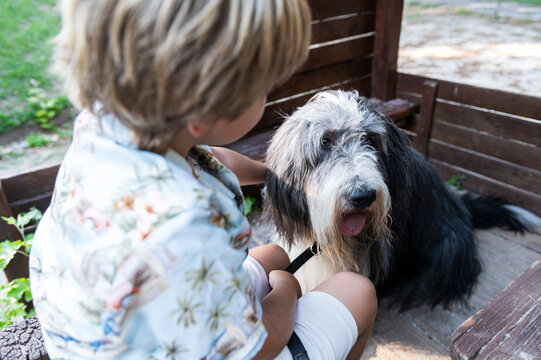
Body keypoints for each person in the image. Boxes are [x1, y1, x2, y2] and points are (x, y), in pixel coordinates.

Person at [29, 0, 377, 359]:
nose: (267, 94)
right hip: (237, 346)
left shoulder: (105, 127)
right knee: (356, 290)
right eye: (261, 87)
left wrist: (275, 174)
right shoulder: (184, 222)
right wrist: (286, 290)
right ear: (206, 106)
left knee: (274, 253)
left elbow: (215, 159)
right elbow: (258, 345)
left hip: (111, 332)